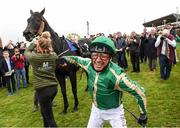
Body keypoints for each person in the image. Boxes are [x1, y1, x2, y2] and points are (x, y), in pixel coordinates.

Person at [62, 36, 147, 127]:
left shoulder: (117, 76)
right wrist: (64, 58)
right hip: (96, 110)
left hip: (114, 113)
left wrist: (143, 114)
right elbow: (77, 59)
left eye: (103, 56)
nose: (98, 60)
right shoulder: (88, 64)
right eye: (95, 55)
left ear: (110, 58)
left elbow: (138, 91)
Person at [25, 31, 58, 127]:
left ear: (39, 45)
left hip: (43, 90)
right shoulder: (53, 56)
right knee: (44, 112)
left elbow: (26, 52)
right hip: (53, 88)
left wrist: (33, 44)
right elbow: (51, 53)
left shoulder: (34, 58)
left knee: (50, 117)